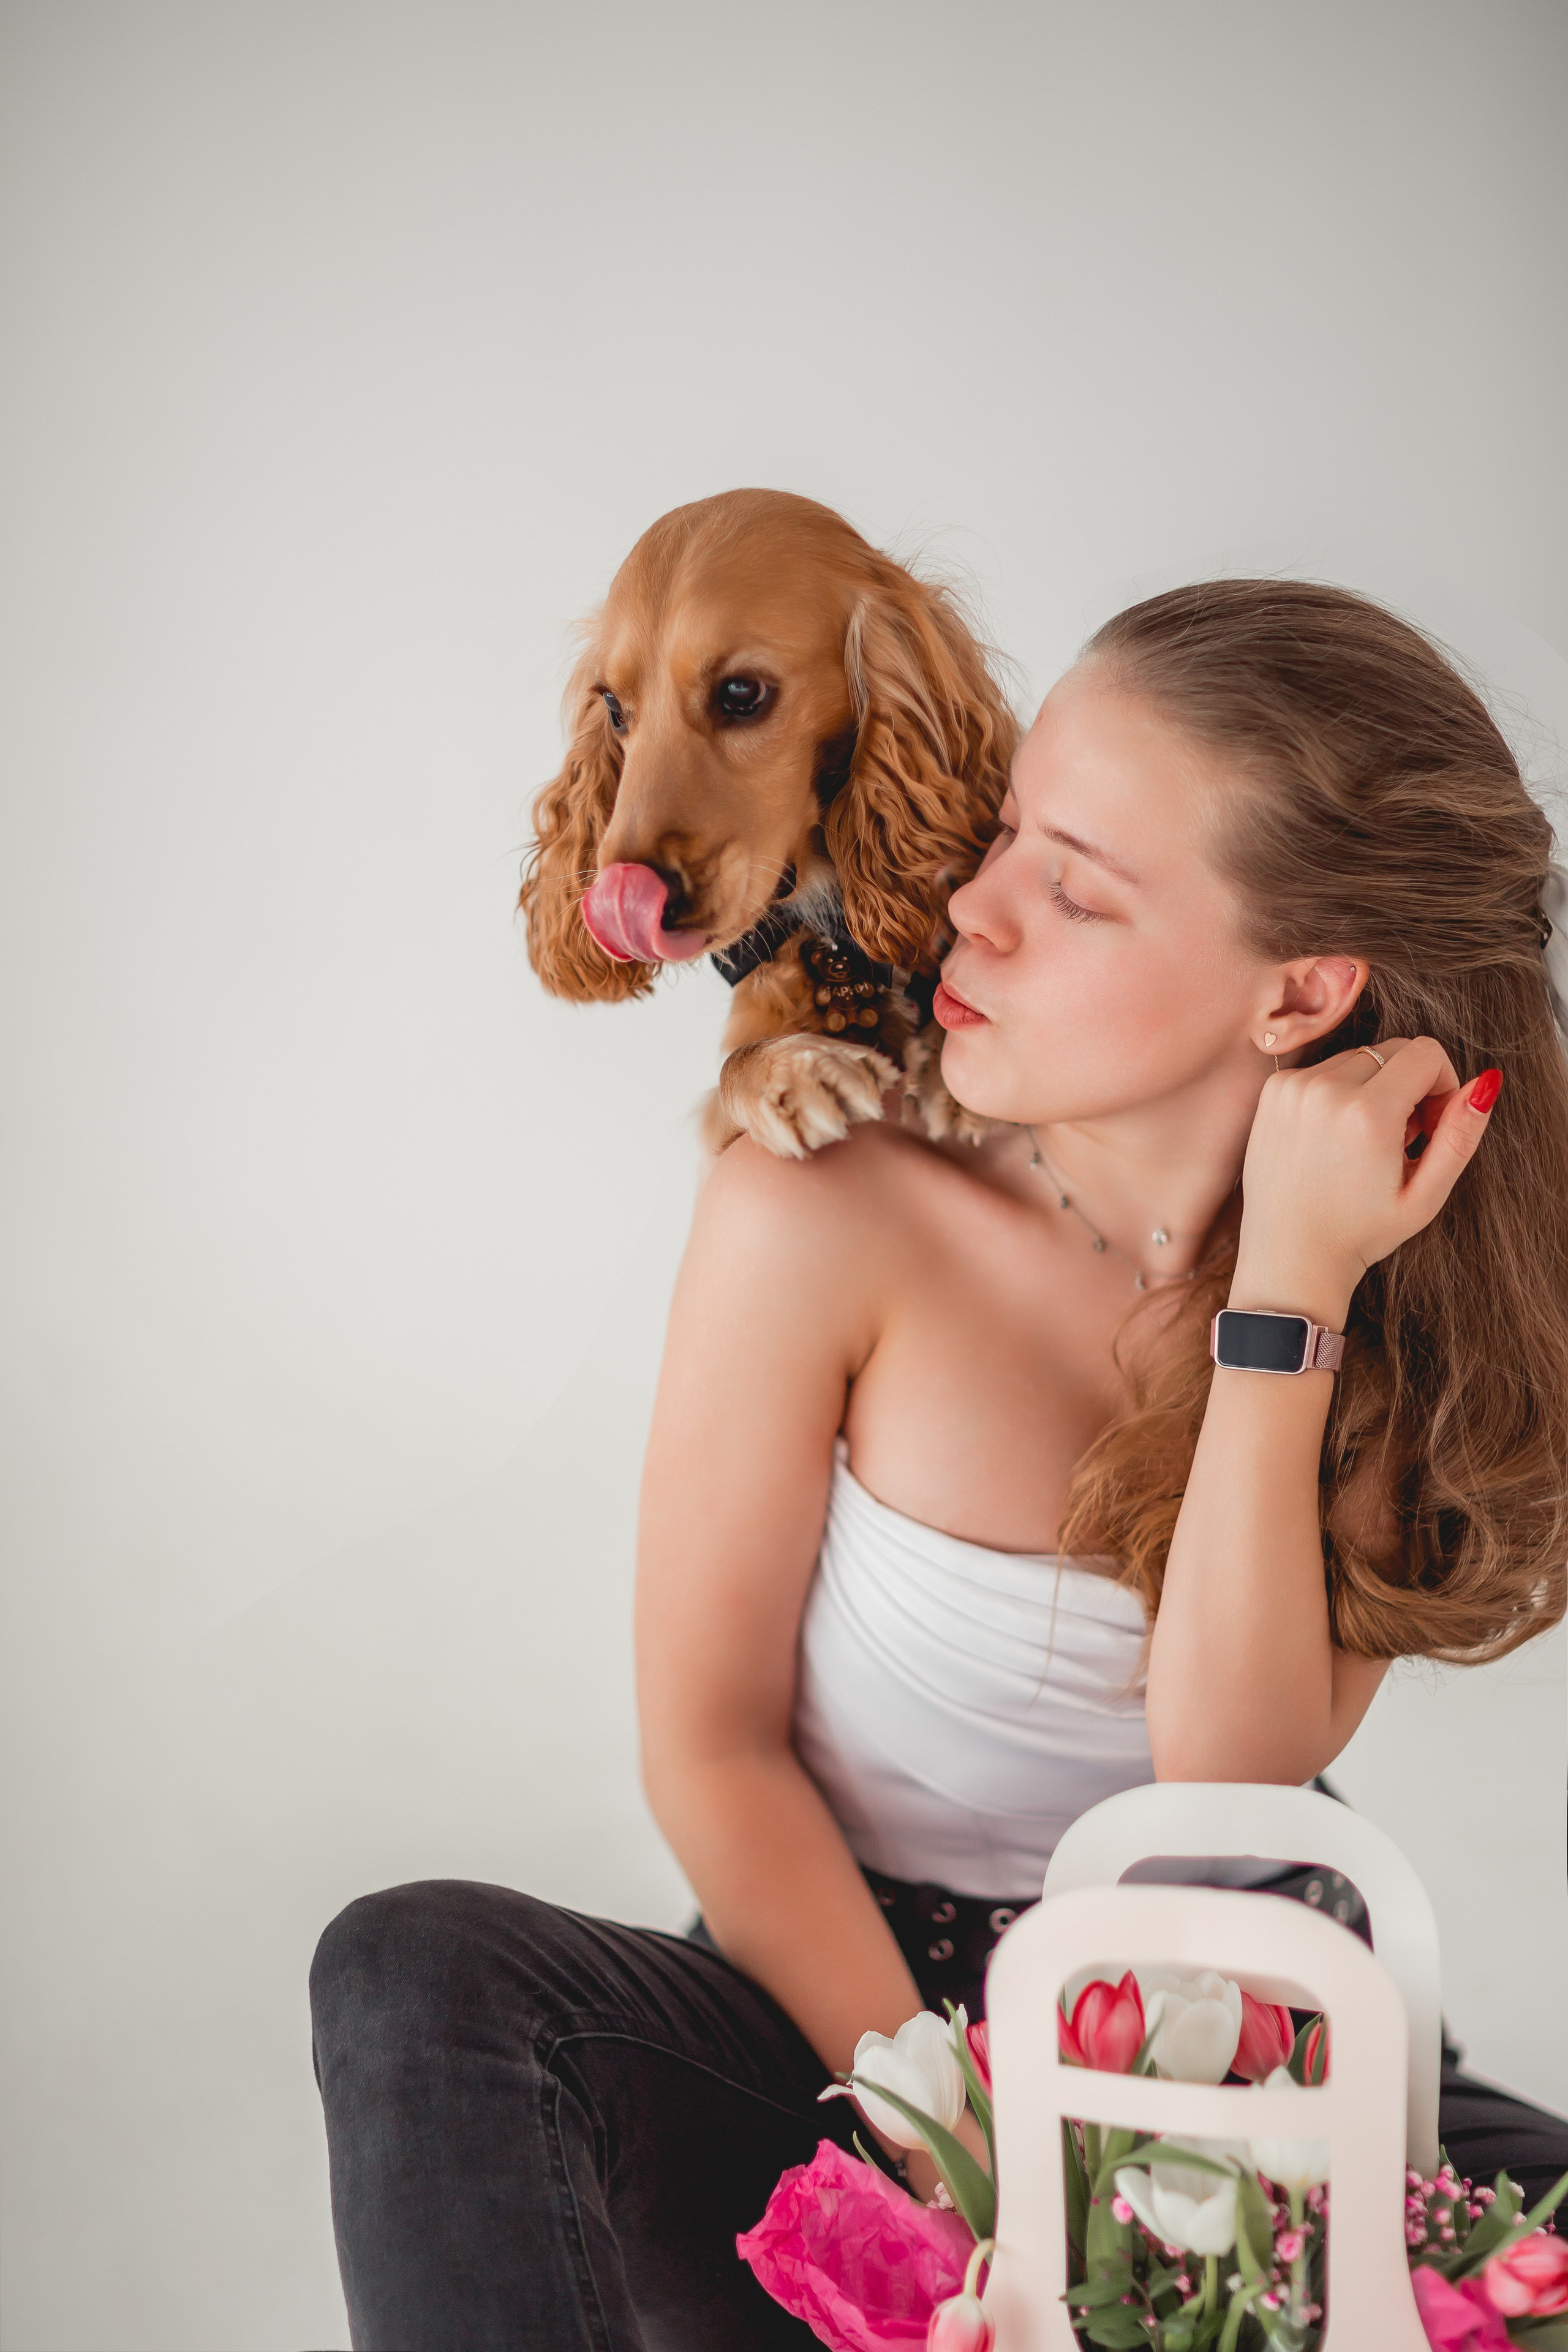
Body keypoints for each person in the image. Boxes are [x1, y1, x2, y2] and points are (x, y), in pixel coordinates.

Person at [309, 581, 1568, 2350]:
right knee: (416, 1978)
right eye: (1009, 833)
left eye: (1076, 887)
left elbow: (1232, 1777)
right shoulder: (825, 1205)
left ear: (1300, 994)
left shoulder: (1391, 1293)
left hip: (1250, 2055)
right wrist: (957, 2146)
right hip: (845, 2033)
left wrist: (1287, 1293)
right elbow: (714, 1747)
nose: (971, 907)